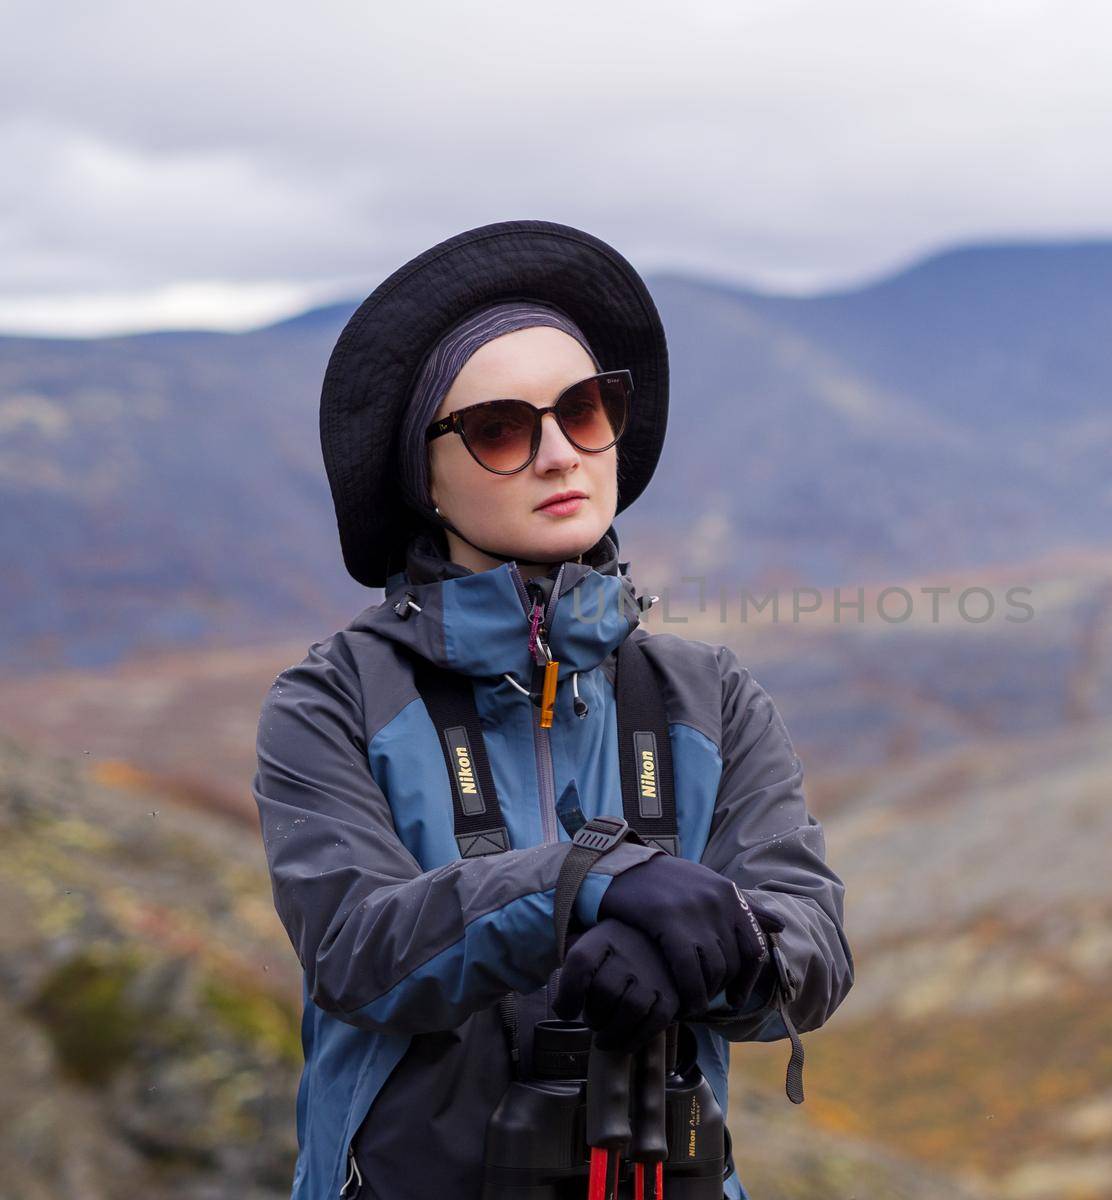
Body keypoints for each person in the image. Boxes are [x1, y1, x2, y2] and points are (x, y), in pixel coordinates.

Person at [252, 220, 853, 1200]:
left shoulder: (708, 695)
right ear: (422, 475)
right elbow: (356, 951)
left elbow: (814, 952)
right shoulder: (332, 701)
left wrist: (695, 953)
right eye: (498, 428)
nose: (558, 454)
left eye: (584, 409)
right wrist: (587, 888)